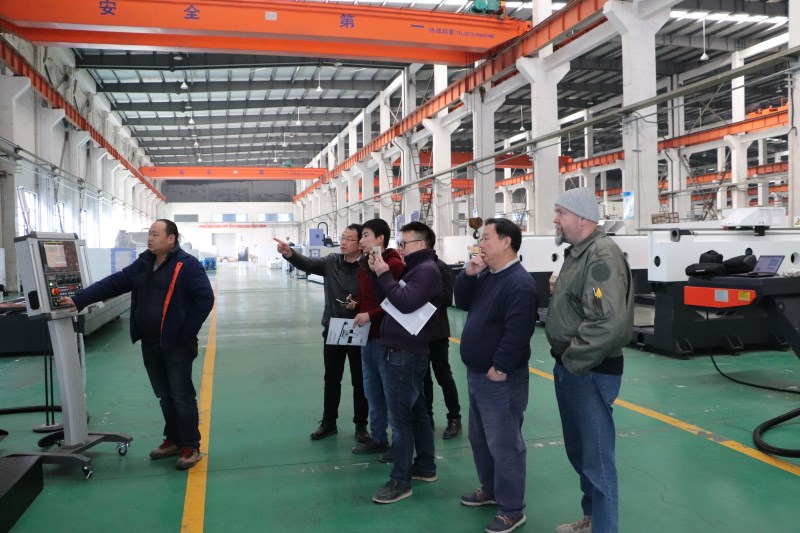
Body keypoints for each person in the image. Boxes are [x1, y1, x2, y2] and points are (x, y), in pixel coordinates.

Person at [58, 219, 214, 470]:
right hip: (150, 342)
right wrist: (80, 299)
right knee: (165, 395)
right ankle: (174, 439)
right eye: (149, 234)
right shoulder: (144, 263)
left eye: (155, 234)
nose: (150, 238)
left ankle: (190, 446)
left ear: (171, 239)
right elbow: (115, 282)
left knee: (181, 395)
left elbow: (205, 299)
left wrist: (186, 334)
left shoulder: (187, 265)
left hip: (176, 345)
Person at [545, 187, 634, 533]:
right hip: (574, 368)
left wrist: (572, 360)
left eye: (561, 213)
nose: (555, 219)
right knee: (581, 454)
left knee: (597, 462)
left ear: (581, 218)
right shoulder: (578, 253)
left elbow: (605, 323)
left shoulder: (601, 255)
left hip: (589, 369)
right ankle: (592, 519)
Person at [454, 218, 538, 533]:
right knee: (480, 439)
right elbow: (462, 302)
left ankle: (512, 510)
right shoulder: (488, 275)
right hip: (478, 374)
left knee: (505, 445)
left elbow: (518, 332)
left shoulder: (519, 283)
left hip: (500, 379)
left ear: (506, 242)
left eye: (486, 238)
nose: (481, 244)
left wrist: (500, 366)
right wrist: (468, 274)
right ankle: (490, 490)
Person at [275, 226, 370, 443]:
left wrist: (358, 304)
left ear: (359, 244)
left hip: (359, 328)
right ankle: (329, 422)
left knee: (360, 380)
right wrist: (290, 254)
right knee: (332, 378)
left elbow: (375, 294)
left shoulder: (368, 265)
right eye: (342, 238)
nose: (343, 242)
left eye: (349, 239)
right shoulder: (331, 261)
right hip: (334, 328)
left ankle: (361, 425)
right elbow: (308, 263)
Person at [369, 221, 440, 504]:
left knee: (400, 419)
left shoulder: (426, 270)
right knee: (416, 412)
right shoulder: (417, 269)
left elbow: (405, 302)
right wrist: (377, 273)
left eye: (404, 243)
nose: (400, 248)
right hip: (404, 352)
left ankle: (401, 480)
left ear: (420, 244)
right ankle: (425, 466)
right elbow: (388, 298)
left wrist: (385, 273)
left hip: (404, 354)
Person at [349, 218, 404, 457]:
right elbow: (370, 297)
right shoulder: (366, 265)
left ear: (380, 239)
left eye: (366, 235)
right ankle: (378, 438)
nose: (361, 241)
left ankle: (399, 444)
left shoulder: (394, 265)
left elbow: (397, 301)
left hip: (386, 338)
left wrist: (370, 314)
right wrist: (357, 303)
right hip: (367, 337)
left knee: (391, 395)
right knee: (372, 393)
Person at [423, 258, 462, 439]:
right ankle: (427, 417)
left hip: (437, 333)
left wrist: (418, 300)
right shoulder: (413, 266)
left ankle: (454, 418)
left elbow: (445, 298)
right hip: (419, 333)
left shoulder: (440, 267)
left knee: (443, 375)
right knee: (423, 378)